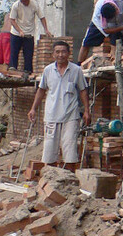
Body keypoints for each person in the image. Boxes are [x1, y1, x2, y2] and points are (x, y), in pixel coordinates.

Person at [28, 40, 90, 171]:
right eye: (57, 52)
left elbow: (83, 90)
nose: (60, 55)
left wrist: (86, 111)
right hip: (51, 115)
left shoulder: (76, 70)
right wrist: (33, 108)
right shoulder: (48, 70)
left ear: (68, 54)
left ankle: (69, 181)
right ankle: (51, 180)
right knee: (50, 150)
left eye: (63, 52)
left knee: (70, 150)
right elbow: (41, 90)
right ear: (53, 54)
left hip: (70, 116)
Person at [8, 0, 50, 73]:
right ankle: (12, 69)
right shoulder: (16, 6)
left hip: (29, 33)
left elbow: (42, 17)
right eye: (22, 1)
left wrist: (46, 29)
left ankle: (28, 71)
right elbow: (12, 20)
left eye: (25, 1)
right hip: (16, 33)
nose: (24, 3)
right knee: (14, 52)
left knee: (28, 54)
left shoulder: (35, 5)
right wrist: (19, 31)